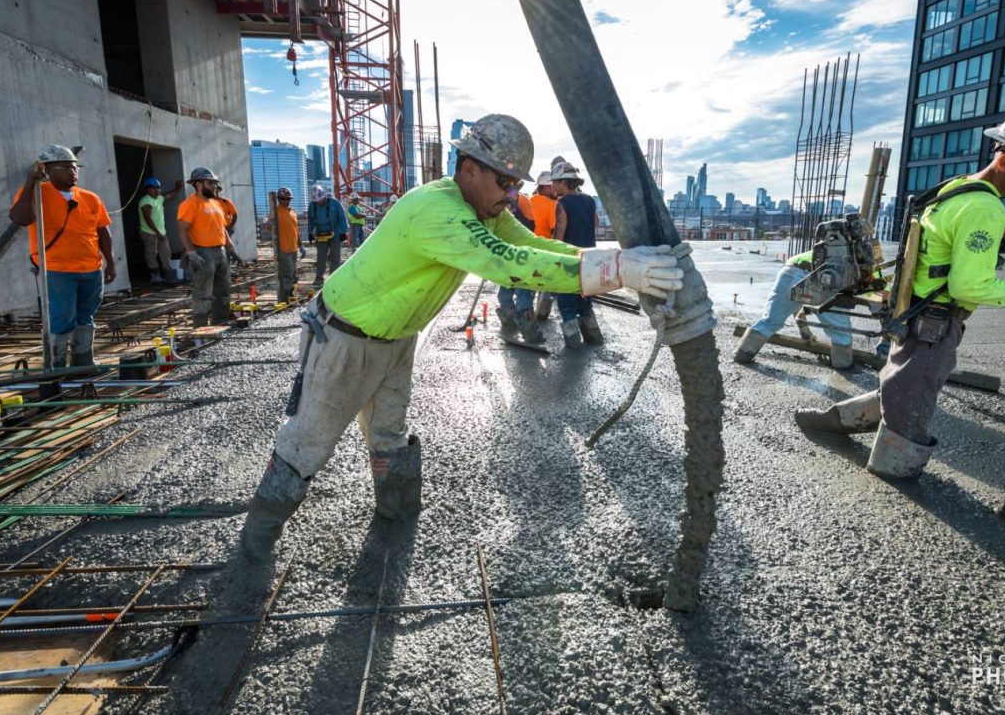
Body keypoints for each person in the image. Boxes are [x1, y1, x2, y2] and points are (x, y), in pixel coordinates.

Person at [239, 114, 686, 561]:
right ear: (469, 169)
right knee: (307, 444)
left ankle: (394, 530)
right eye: (506, 182)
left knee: (389, 435)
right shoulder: (438, 211)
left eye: (516, 185)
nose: (513, 195)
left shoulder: (484, 210)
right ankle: (254, 547)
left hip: (395, 339)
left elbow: (539, 249)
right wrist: (618, 272)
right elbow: (509, 263)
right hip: (343, 337)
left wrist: (619, 261)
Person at [793, 103, 1005, 480]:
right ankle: (894, 474)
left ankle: (832, 422)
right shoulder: (984, 207)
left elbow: (943, 241)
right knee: (910, 407)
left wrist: (1000, 236)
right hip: (933, 323)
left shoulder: (956, 190)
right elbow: (970, 285)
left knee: (904, 384)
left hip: (913, 311)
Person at [8, 145, 115, 367]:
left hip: (90, 269)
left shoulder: (90, 198)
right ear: (47, 169)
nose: (73, 173)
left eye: (75, 168)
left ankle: (83, 360)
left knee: (86, 316)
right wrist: (31, 183)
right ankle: (55, 363)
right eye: (66, 168)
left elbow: (103, 231)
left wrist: (110, 262)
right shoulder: (37, 194)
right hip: (57, 269)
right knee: (62, 317)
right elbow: (20, 218)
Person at [733, 249, 855, 368]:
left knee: (769, 321)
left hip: (791, 270)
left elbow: (802, 296)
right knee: (841, 333)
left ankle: (741, 356)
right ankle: (843, 366)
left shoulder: (831, 249)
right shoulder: (859, 259)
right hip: (824, 278)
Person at [551, 160, 601, 348]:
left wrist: (554, 257)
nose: (553, 186)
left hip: (570, 259)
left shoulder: (562, 203)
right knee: (585, 299)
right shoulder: (589, 200)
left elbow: (559, 234)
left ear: (563, 182)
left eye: (555, 182)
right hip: (588, 257)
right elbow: (595, 223)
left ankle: (573, 343)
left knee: (566, 302)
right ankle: (593, 337)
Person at [177, 167, 233, 327]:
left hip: (219, 251)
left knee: (223, 290)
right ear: (198, 184)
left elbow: (221, 227)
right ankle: (200, 330)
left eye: (215, 183)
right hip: (203, 251)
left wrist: (230, 246)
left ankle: (220, 323)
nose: (214, 186)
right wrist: (191, 253)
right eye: (211, 182)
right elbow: (182, 230)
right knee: (203, 292)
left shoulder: (215, 204)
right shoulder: (190, 204)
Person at [495, 187, 542, 343]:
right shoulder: (505, 201)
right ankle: (510, 321)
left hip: (521, 253)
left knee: (522, 291)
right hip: (509, 252)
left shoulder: (520, 200)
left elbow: (529, 226)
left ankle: (528, 327)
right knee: (505, 292)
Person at [138, 176, 182, 284]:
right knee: (151, 254)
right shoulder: (145, 201)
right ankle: (155, 277)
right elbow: (147, 219)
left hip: (161, 232)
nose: (157, 190)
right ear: (147, 189)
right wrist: (157, 233)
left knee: (166, 253)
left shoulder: (159, 198)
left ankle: (170, 276)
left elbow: (169, 195)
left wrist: (177, 189)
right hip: (150, 233)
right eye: (154, 188)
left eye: (158, 187)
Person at [528, 170, 558, 320]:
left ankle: (525, 310)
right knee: (545, 284)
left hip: (528, 249)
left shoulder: (529, 200)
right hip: (545, 250)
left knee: (528, 283)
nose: (556, 190)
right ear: (546, 187)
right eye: (553, 187)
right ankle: (541, 312)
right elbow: (555, 229)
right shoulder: (553, 205)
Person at [307, 184, 348, 286]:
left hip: (335, 233)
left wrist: (344, 232)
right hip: (320, 234)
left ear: (324, 196)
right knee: (321, 257)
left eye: (320, 200)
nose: (319, 202)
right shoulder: (312, 206)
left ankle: (333, 278)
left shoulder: (335, 203)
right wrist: (310, 232)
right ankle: (319, 278)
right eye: (316, 201)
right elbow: (311, 220)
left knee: (335, 256)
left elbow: (342, 218)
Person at [271, 187, 304, 302]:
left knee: (293, 273)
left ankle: (291, 295)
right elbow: (269, 226)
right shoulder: (275, 212)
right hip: (284, 249)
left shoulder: (292, 212)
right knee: (287, 274)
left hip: (293, 248)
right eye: (282, 198)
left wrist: (301, 245)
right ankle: (286, 298)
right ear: (278, 199)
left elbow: (296, 230)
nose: (285, 200)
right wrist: (269, 222)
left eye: (287, 199)